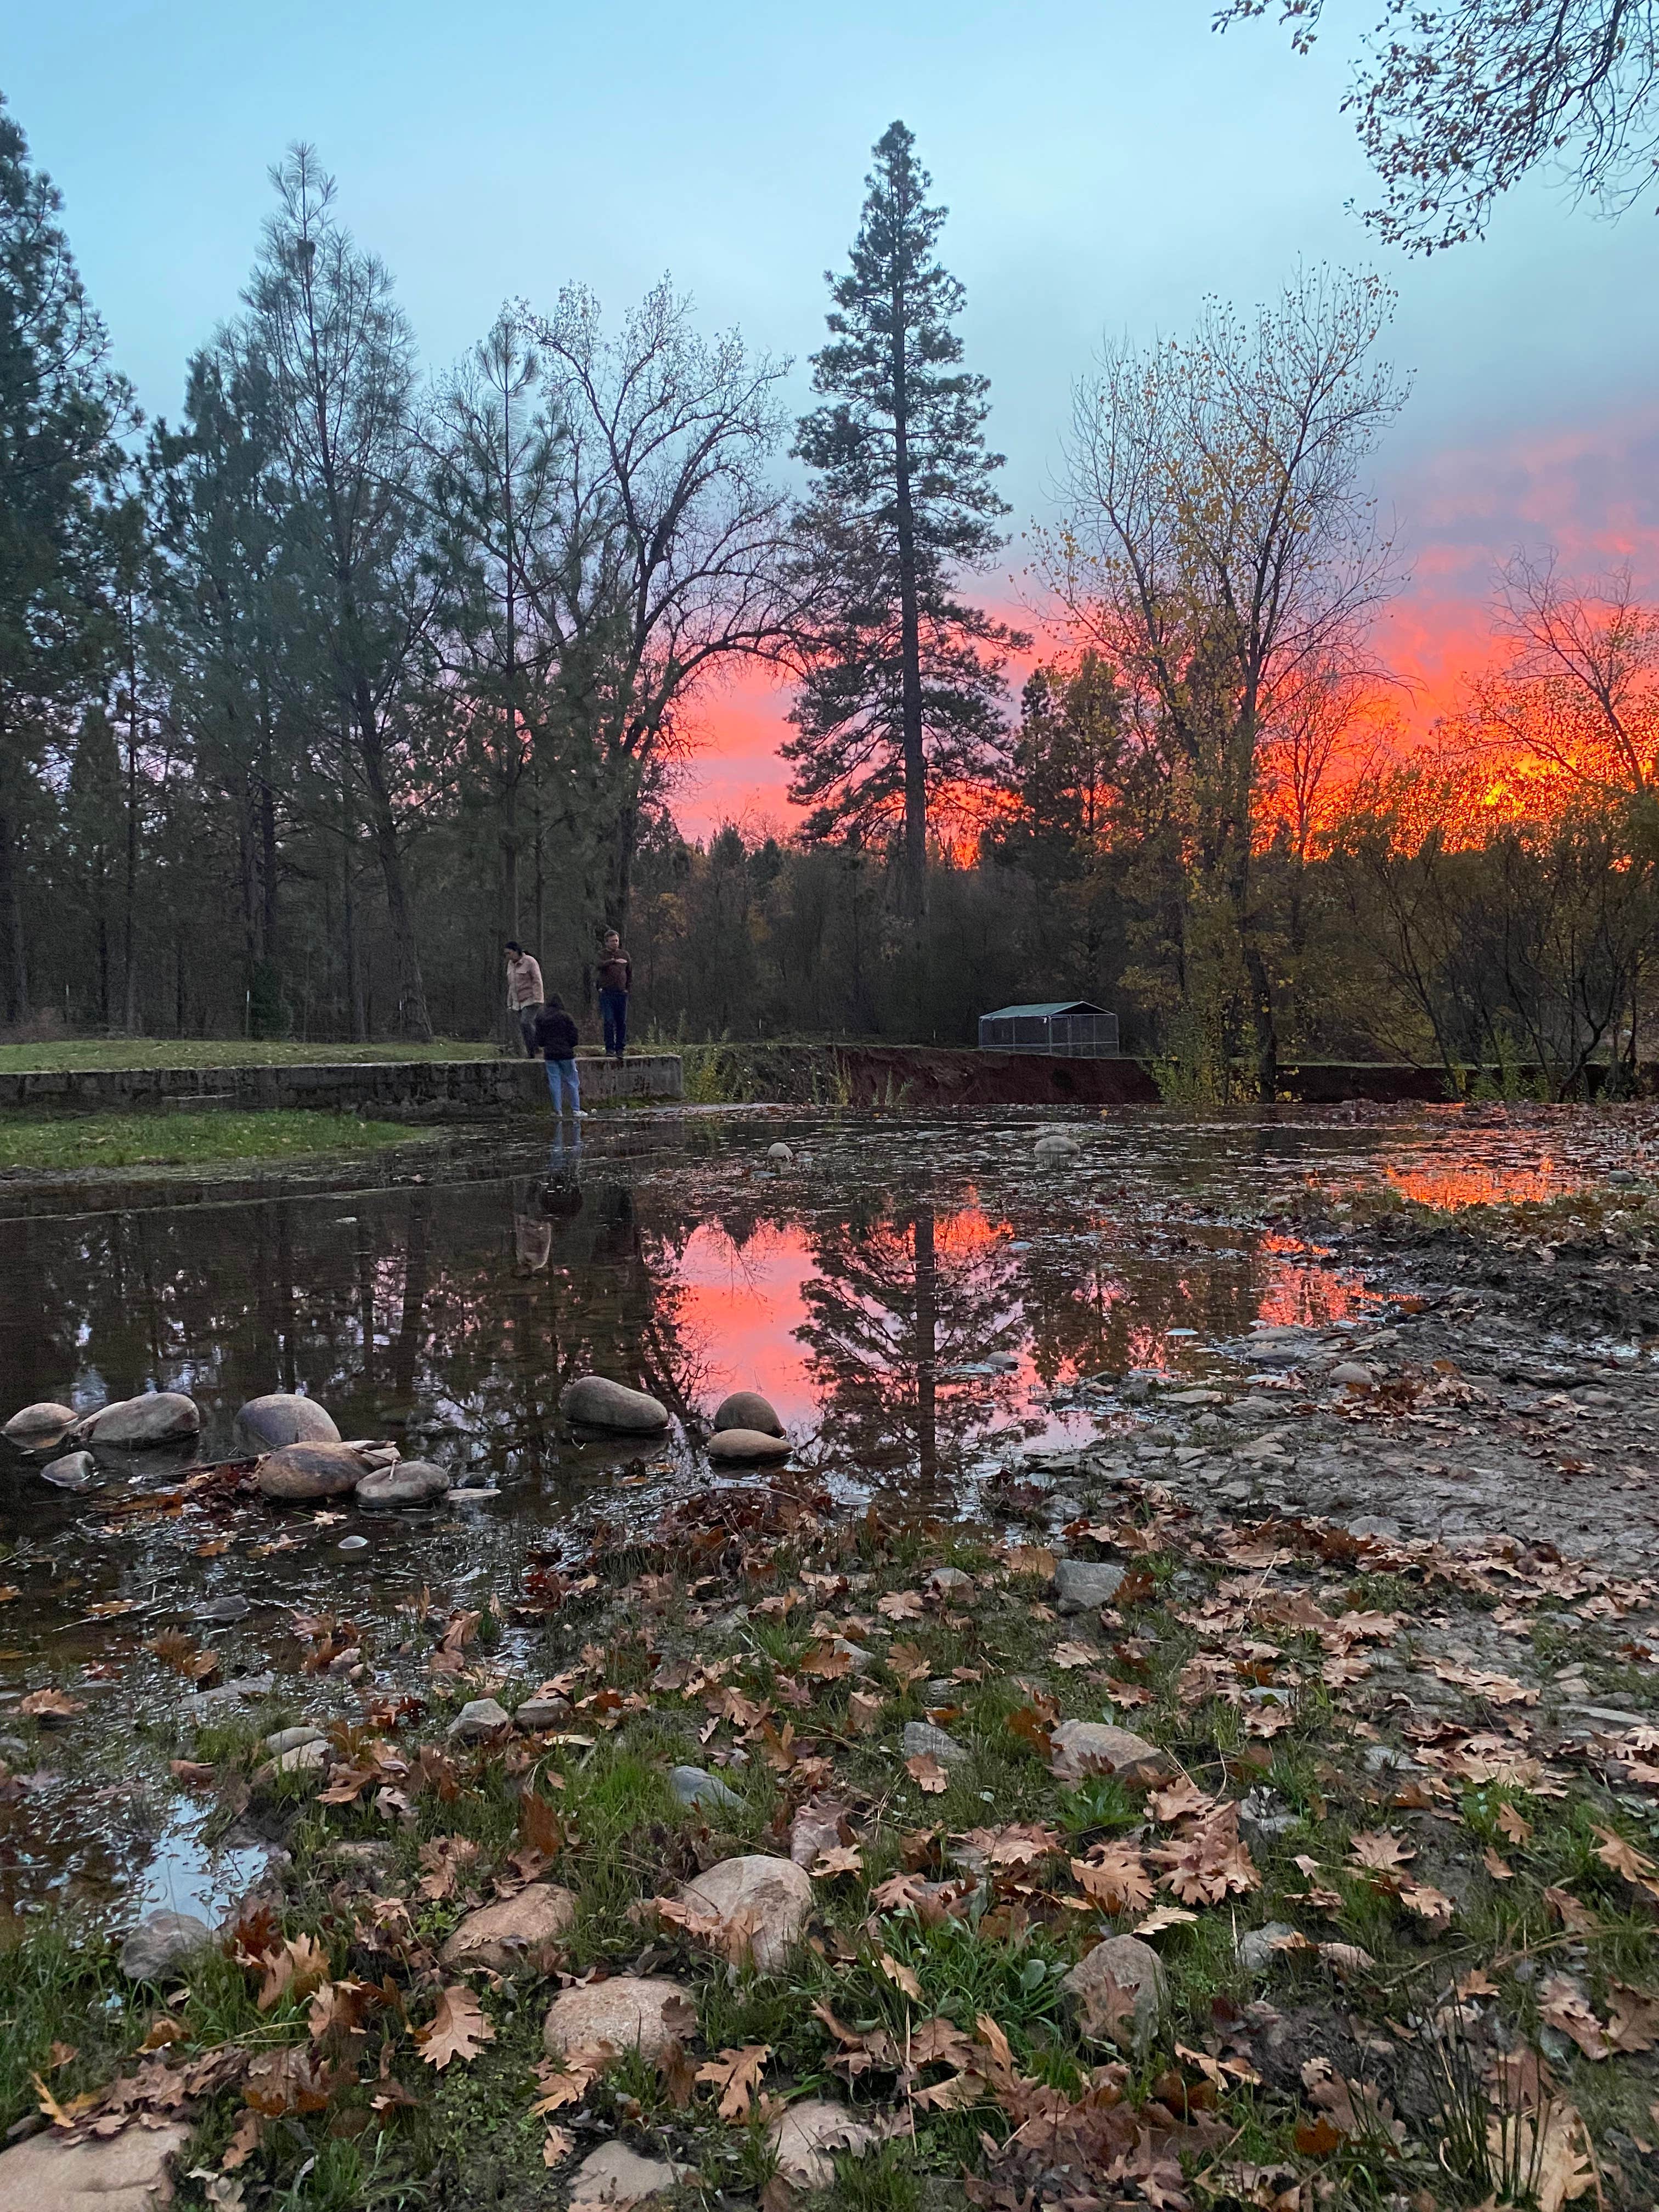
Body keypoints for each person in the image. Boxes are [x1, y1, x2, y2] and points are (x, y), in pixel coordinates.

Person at [533, 993, 582, 1119]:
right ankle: (576, 1109)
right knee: (572, 1081)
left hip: (550, 1054)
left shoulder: (542, 1018)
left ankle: (558, 1111)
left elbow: (539, 1039)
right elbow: (574, 1036)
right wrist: (570, 1046)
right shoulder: (566, 1017)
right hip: (566, 1054)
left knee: (555, 1082)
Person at [596, 929, 632, 1060]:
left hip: (621, 994)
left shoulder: (625, 955)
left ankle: (620, 1049)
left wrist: (628, 989)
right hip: (607, 993)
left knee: (621, 1022)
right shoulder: (602, 954)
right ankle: (610, 1048)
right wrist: (614, 961)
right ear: (606, 943)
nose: (615, 943)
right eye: (612, 941)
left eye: (616, 941)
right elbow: (599, 965)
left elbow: (629, 973)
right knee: (609, 1020)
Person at [505, 940, 544, 1057]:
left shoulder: (530, 962)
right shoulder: (510, 965)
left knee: (526, 1023)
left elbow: (537, 981)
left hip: (531, 999)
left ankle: (536, 1048)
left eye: (509, 953)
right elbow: (512, 985)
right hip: (518, 1001)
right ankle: (531, 1052)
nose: (507, 956)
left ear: (516, 952)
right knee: (523, 1027)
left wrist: (538, 999)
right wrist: (510, 1003)